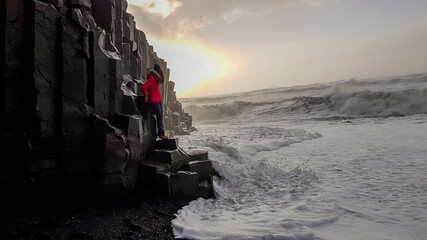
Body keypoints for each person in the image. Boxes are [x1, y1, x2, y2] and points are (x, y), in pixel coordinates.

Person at [141, 64, 168, 140]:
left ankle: (160, 132)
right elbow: (143, 87)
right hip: (154, 100)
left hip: (158, 99)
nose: (160, 71)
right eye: (159, 69)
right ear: (157, 70)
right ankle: (161, 134)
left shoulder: (156, 77)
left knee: (160, 115)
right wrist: (146, 96)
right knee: (159, 115)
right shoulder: (152, 78)